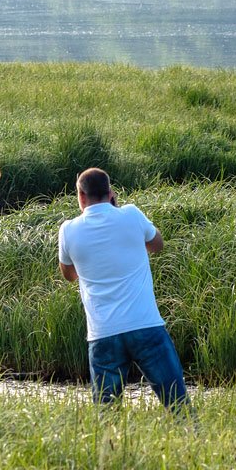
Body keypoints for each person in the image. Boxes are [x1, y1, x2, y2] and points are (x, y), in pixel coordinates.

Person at [58, 167, 190, 411]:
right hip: (146, 326)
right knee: (178, 404)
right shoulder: (131, 215)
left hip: (103, 333)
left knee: (106, 416)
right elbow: (157, 244)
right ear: (110, 193)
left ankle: (111, 450)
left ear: (81, 196)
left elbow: (69, 275)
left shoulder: (68, 229)